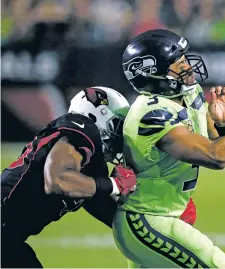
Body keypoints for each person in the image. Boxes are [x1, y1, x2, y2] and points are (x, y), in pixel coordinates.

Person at [112, 29, 225, 268]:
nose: (188, 66)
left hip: (166, 214)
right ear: (152, 72)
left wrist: (224, 125)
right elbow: (217, 156)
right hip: (147, 220)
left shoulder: (187, 93)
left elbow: (224, 147)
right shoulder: (151, 114)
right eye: (179, 62)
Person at [1, 86, 137, 268]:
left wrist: (152, 224)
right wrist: (115, 184)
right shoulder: (82, 128)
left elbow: (106, 209)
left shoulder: (91, 165)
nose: (120, 135)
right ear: (96, 115)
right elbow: (58, 180)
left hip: (8, 237)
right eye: (117, 125)